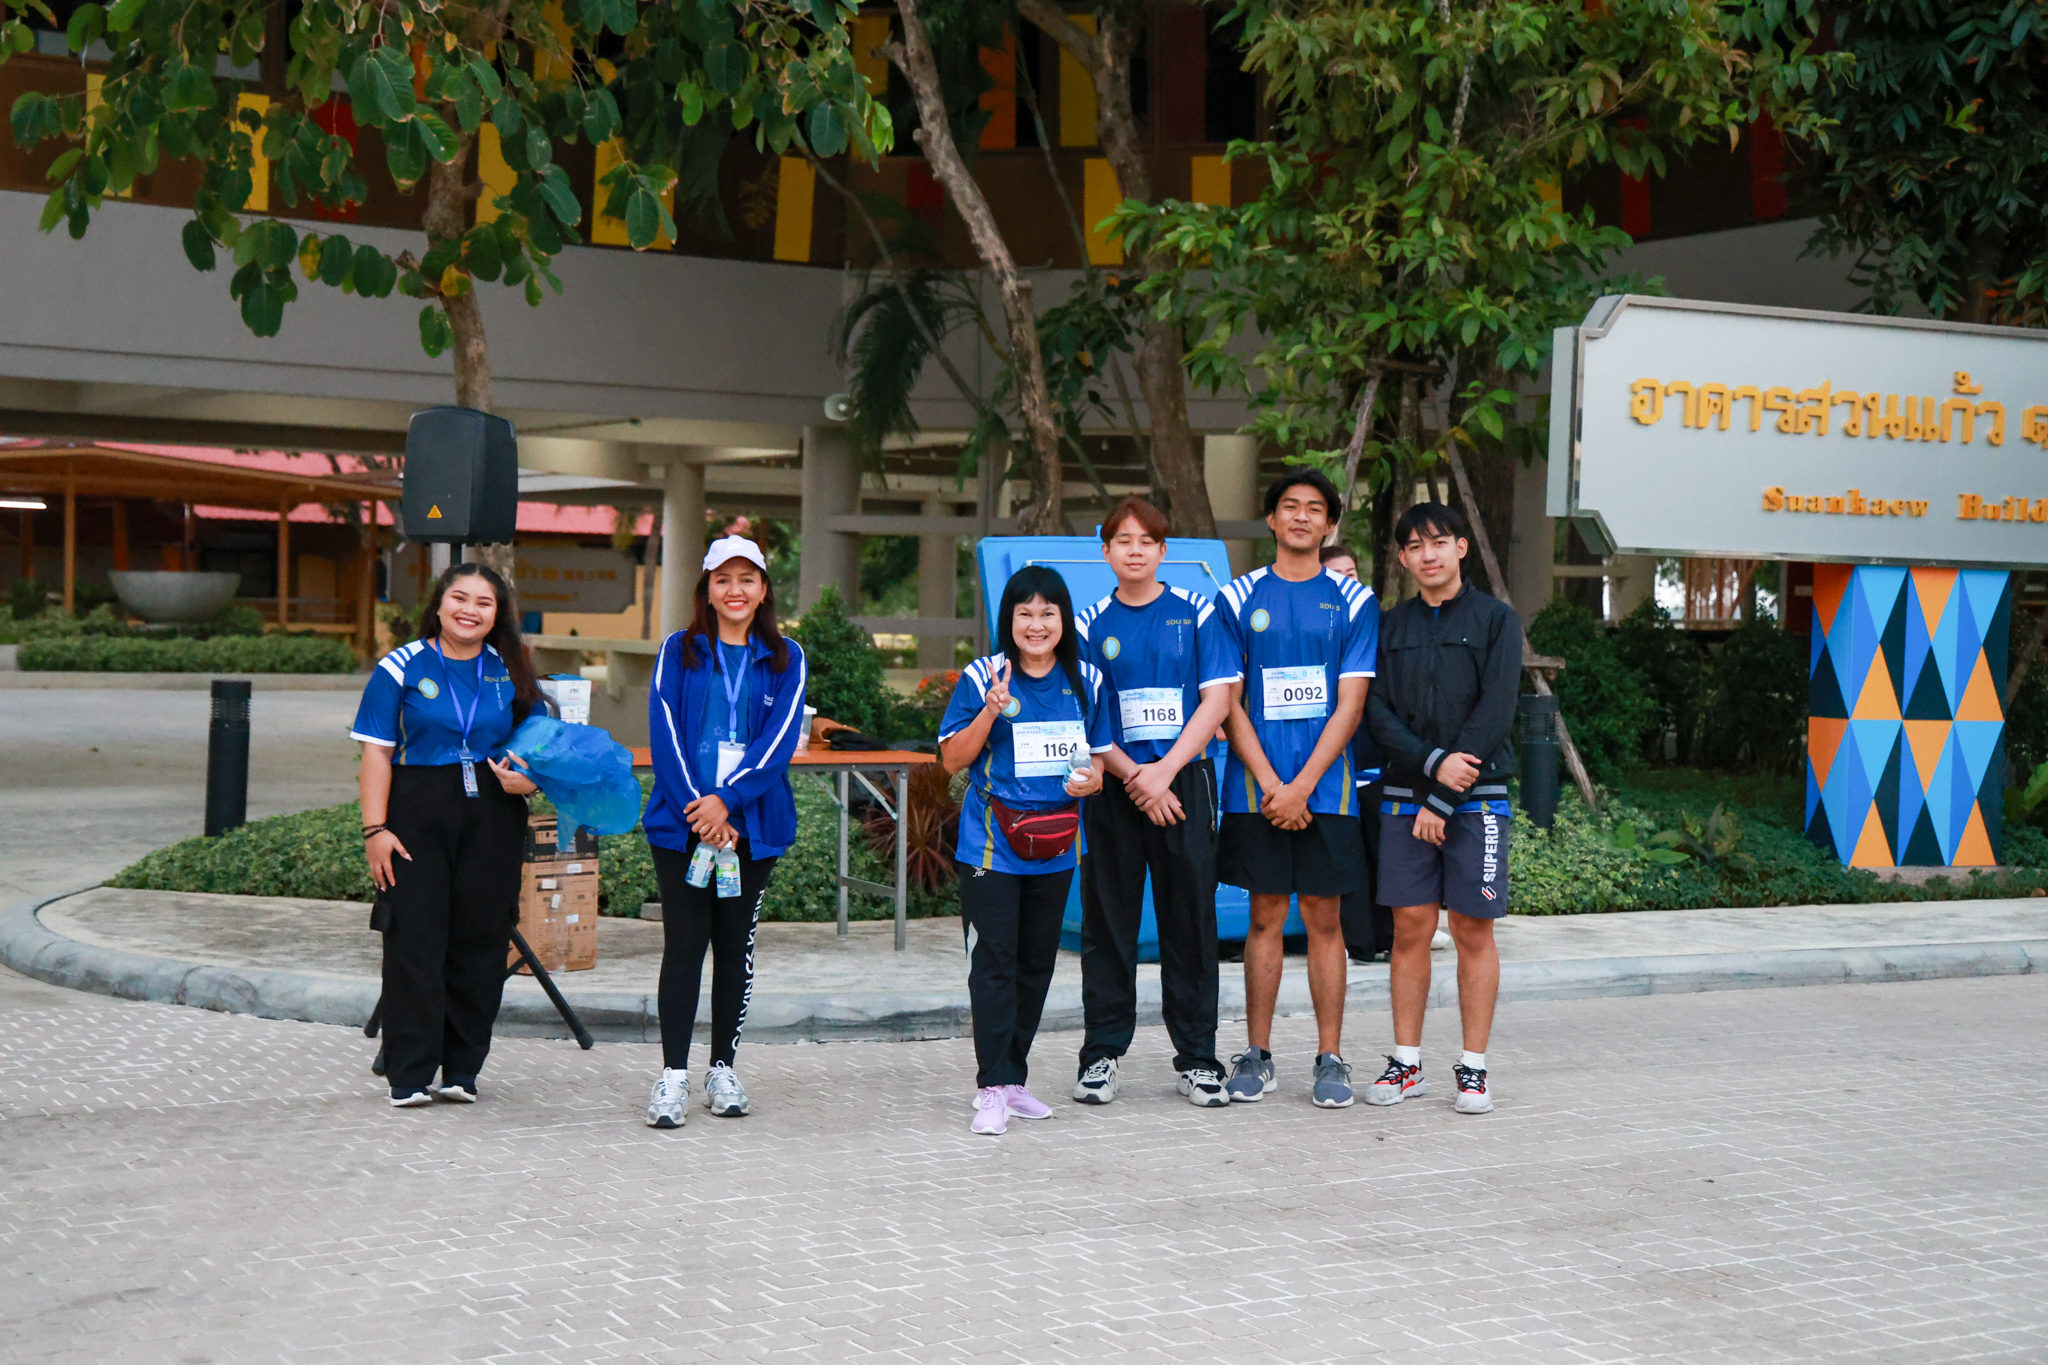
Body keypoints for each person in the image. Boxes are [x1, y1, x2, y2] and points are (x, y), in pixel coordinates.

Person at [353, 562, 542, 1109]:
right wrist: (375, 829)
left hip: (493, 813)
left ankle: (462, 1069)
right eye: (459, 598)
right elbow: (376, 753)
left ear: (497, 615)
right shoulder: (400, 666)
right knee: (414, 939)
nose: (469, 610)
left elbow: (540, 745)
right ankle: (409, 1072)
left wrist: (530, 779)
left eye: (484, 603)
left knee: (482, 940)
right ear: (438, 604)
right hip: (416, 811)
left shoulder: (510, 669)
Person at [1215, 472, 1377, 1108]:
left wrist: (1302, 786)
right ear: (1272, 519)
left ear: (1329, 524)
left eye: (1315, 509)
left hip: (1328, 792)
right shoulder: (1237, 598)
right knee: (1263, 915)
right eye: (1290, 507)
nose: (1302, 517)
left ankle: (1330, 1058)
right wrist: (1271, 784)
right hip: (1255, 790)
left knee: (1324, 918)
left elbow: (1351, 703)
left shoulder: (1354, 601)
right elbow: (1227, 701)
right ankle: (1256, 1055)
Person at [1071, 498, 1239, 1108]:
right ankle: (1101, 1055)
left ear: (1164, 551)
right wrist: (1136, 777)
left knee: (1190, 921)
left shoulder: (1198, 610)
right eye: (1123, 540)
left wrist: (1164, 774)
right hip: (1114, 786)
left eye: (1147, 540)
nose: (1135, 550)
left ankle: (1198, 1060)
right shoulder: (1089, 623)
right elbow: (1086, 713)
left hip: (1184, 783)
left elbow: (1217, 700)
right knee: (1108, 923)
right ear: (1106, 552)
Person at [643, 536, 809, 1128]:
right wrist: (702, 809)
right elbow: (664, 730)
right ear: (707, 591)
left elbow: (780, 739)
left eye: (747, 579)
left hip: (751, 827)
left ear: (763, 590)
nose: (734, 590)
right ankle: (673, 1075)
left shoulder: (787, 657)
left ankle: (722, 1069)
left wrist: (729, 805)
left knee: (735, 948)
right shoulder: (678, 649)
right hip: (682, 824)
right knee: (684, 946)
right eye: (722, 579)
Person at [939, 565, 1111, 1135]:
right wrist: (991, 708)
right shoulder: (982, 675)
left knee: (1036, 963)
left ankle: (1014, 1080)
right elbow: (952, 759)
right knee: (994, 963)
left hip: (1058, 843)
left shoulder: (1087, 678)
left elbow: (1098, 761)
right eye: (1025, 614)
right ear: (1007, 620)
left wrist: (1092, 781)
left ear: (1064, 620)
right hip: (992, 844)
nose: (1036, 625)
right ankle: (991, 1086)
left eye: (1047, 613)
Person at [1365, 502, 1522, 1116]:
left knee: (1472, 930)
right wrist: (1432, 766)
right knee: (1409, 929)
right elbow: (1375, 711)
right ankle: (1406, 1064)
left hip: (1477, 799)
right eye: (1414, 546)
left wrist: (1445, 794)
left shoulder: (1496, 620)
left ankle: (1473, 1068)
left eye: (1438, 542)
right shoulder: (1389, 626)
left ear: (1461, 547)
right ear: (1403, 559)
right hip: (1406, 796)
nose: (1427, 555)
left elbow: (1497, 708)